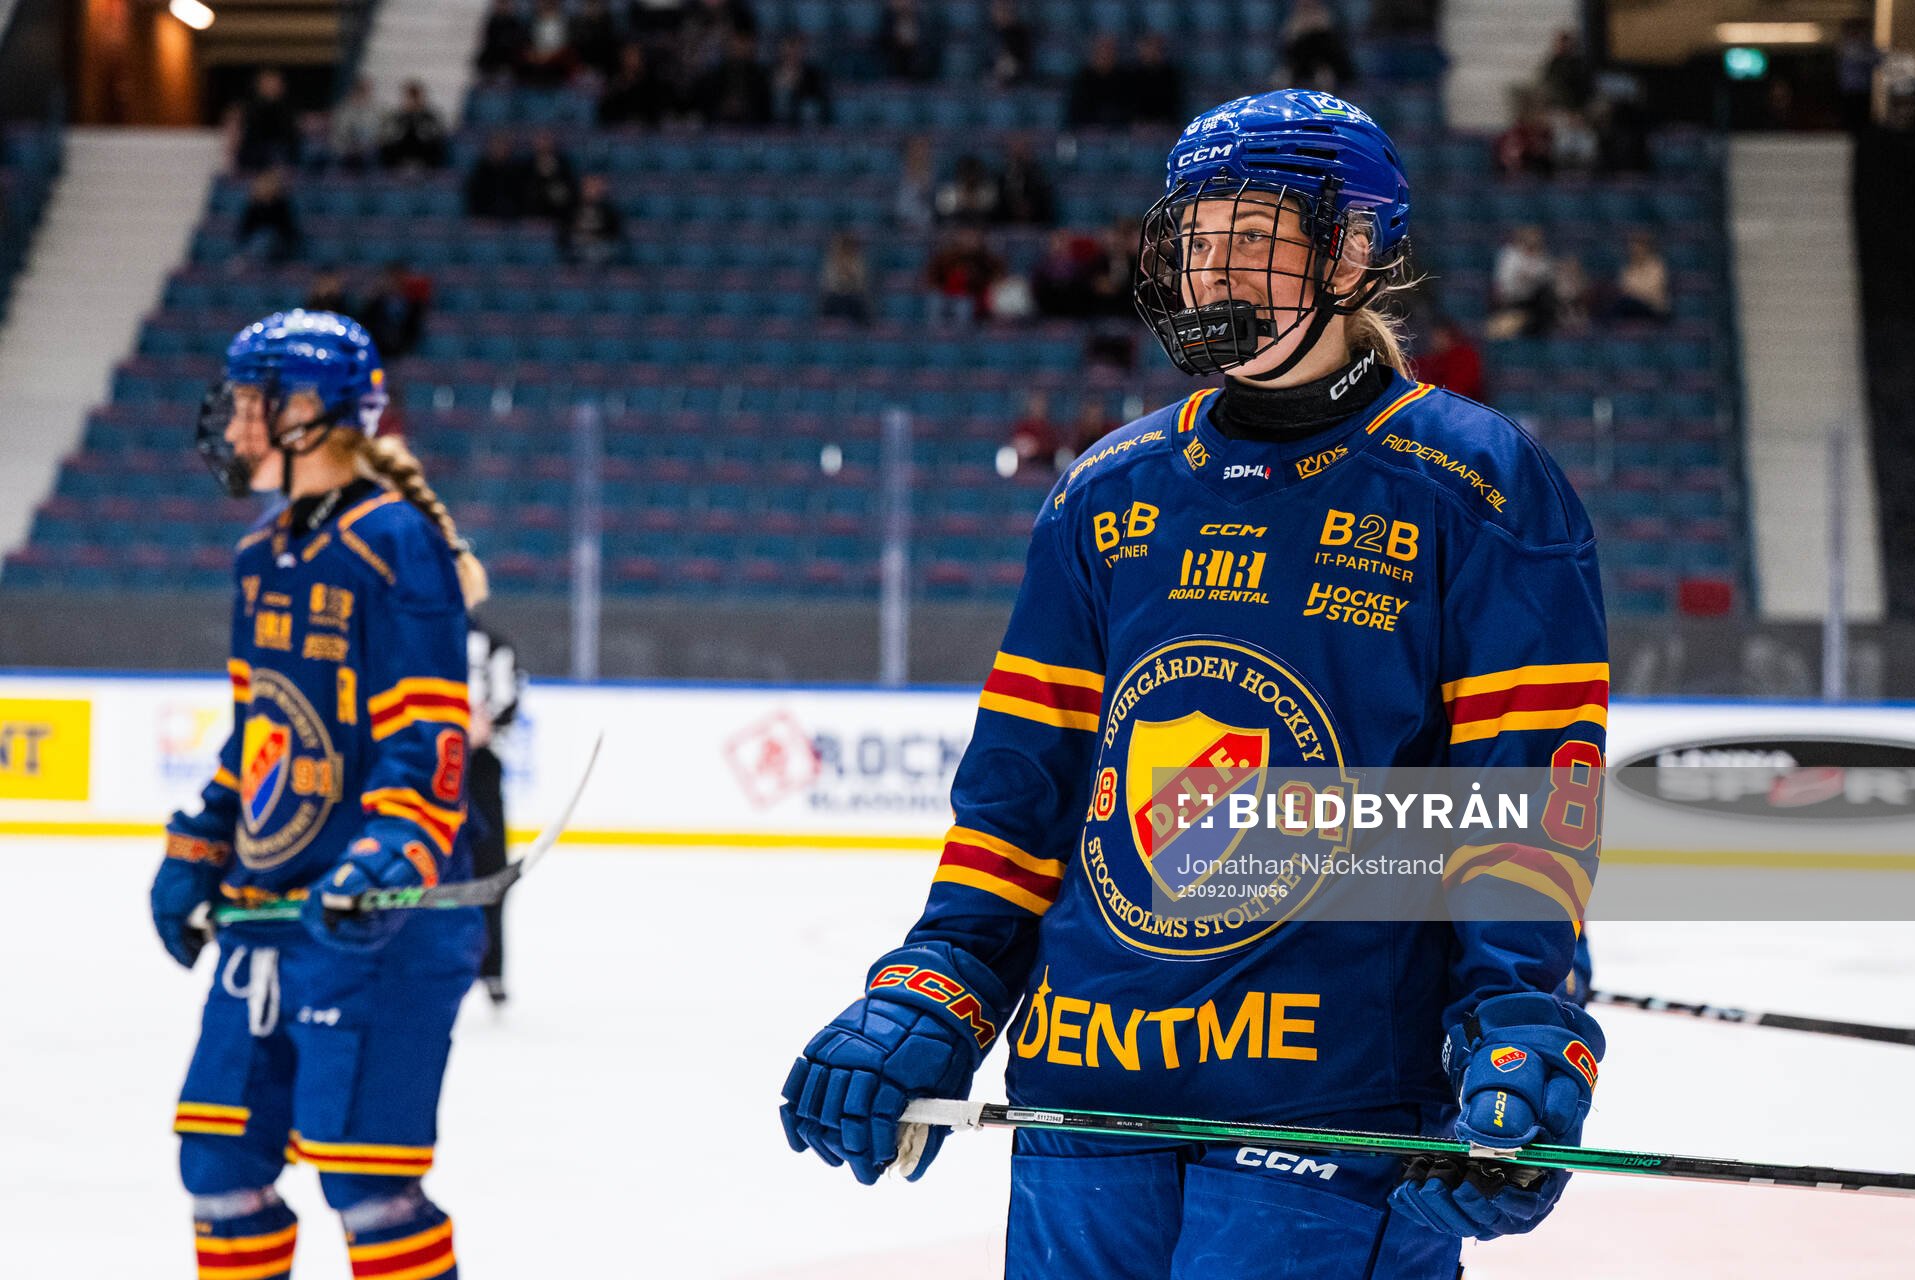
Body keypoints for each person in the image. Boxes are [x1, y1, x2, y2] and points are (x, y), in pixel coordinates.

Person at [781, 90, 1607, 1276]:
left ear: (1353, 253)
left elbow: (1527, 801)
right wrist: (936, 985)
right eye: (1197, 237)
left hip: (1331, 1110)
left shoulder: (1477, 485)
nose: (1213, 268)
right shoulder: (1107, 491)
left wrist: (1519, 1015)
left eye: (1253, 235)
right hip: (1087, 1092)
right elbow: (1022, 795)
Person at [153, 311, 488, 1280]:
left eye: (248, 402)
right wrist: (200, 843)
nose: (232, 423)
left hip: (383, 925)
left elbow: (430, 741)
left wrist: (386, 858)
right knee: (218, 1168)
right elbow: (259, 732)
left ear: (308, 411)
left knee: (368, 1188)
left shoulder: (394, 542)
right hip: (268, 916)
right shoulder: (260, 556)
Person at [466, 621, 526, 1005]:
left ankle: (491, 967)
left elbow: (508, 702)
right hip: (425, 765)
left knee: (490, 868)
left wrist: (486, 721)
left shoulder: (492, 643)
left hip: (479, 768)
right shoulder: (409, 630)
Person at [378, 81, 449, 170]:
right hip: (402, 148)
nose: (413, 102)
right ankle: (399, 168)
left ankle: (425, 168)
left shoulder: (429, 115)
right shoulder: (398, 116)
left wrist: (420, 124)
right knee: (386, 147)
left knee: (437, 147)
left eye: (415, 99)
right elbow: (390, 135)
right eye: (409, 99)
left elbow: (437, 133)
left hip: (422, 148)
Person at [558, 174, 627, 265]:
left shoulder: (609, 210)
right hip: (578, 245)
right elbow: (564, 231)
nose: (592, 191)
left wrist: (596, 237)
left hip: (601, 245)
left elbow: (614, 232)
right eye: (589, 187)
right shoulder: (571, 208)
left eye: (595, 188)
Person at [235, 170, 299, 265]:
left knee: (267, 236)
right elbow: (245, 230)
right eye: (262, 185)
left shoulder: (282, 205)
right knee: (260, 238)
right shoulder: (253, 206)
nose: (265, 187)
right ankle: (250, 261)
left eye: (268, 185)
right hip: (255, 244)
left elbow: (287, 231)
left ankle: (251, 261)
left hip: (277, 245)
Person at [819, 232, 872, 324]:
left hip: (853, 295)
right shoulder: (832, 261)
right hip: (835, 295)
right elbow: (829, 281)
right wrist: (841, 286)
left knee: (858, 304)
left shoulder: (858, 260)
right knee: (830, 302)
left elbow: (860, 281)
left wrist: (849, 284)